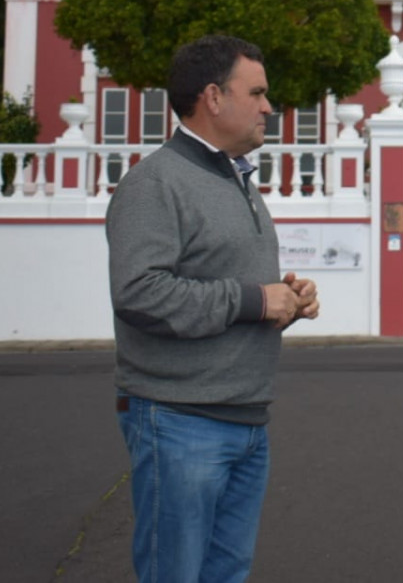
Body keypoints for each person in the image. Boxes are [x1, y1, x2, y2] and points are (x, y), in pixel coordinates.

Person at [107, 34, 320, 583]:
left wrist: (286, 302)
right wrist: (255, 300)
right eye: (258, 92)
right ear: (213, 97)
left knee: (225, 575)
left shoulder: (237, 179)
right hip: (180, 420)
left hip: (246, 420)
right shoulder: (154, 183)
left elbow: (221, 286)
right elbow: (140, 293)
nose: (270, 107)